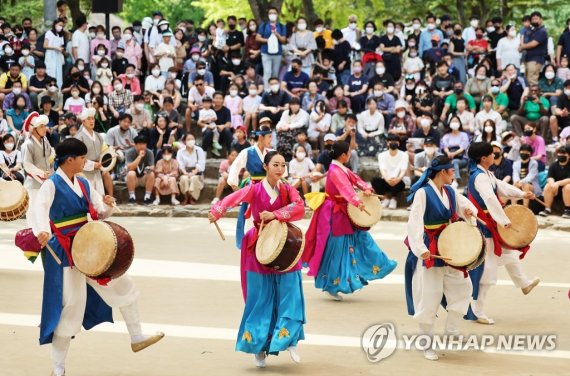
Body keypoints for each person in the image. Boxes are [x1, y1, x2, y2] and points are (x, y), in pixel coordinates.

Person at [29, 138, 164, 376]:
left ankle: (136, 336)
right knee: (71, 306)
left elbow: (98, 210)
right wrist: (42, 230)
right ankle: (58, 368)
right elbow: (39, 208)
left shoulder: (81, 183)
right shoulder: (51, 185)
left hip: (89, 246)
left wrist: (108, 205)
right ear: (70, 159)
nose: (85, 161)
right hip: (64, 251)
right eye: (82, 158)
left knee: (122, 284)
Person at [208, 151, 306, 368]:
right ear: (265, 166)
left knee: (291, 292)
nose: (280, 169)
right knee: (260, 297)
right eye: (275, 165)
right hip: (259, 245)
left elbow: (300, 207)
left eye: (283, 165)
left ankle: (288, 338)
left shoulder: (287, 189)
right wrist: (217, 210)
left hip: (285, 244)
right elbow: (233, 198)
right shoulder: (254, 188)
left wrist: (277, 214)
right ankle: (258, 346)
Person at [303, 141, 397, 301]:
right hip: (335, 213)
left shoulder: (341, 168)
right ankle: (332, 284)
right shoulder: (335, 170)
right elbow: (346, 188)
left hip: (344, 210)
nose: (351, 153)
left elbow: (355, 179)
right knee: (337, 249)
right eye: (349, 151)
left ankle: (379, 264)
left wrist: (366, 189)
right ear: (343, 155)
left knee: (360, 240)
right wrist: (357, 201)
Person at [405, 155, 477, 361]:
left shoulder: (450, 191)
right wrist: (419, 248)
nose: (454, 173)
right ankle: (426, 343)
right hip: (430, 249)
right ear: (443, 172)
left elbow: (463, 206)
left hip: (449, 247)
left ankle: (452, 331)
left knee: (464, 288)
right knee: (430, 296)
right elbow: (415, 222)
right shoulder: (423, 193)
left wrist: (468, 212)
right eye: (452, 170)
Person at [465, 142, 540, 325]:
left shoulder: (486, 174)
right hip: (484, 228)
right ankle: (477, 310)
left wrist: (523, 194)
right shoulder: (480, 177)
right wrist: (504, 220)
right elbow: (490, 198)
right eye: (493, 154)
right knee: (487, 272)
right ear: (484, 158)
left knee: (510, 254)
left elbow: (502, 188)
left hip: (491, 224)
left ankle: (523, 284)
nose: (495, 156)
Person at [227, 123, 274, 247]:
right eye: (269, 136)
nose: (271, 139)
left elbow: (282, 171)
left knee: (271, 217)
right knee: (251, 217)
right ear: (261, 137)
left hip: (270, 188)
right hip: (254, 188)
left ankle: (269, 246)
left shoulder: (272, 152)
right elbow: (235, 166)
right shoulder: (247, 152)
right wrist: (234, 184)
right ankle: (251, 243)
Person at [21, 113, 54, 222]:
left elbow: (51, 155)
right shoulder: (28, 144)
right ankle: (33, 235)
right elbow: (27, 165)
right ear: (33, 129)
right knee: (33, 211)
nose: (45, 128)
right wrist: (41, 173)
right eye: (41, 126)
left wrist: (51, 171)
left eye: (45, 126)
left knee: (45, 210)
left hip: (46, 180)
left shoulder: (45, 141)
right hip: (33, 183)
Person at [73, 108, 113, 196]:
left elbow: (103, 153)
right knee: (86, 200)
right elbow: (78, 158)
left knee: (99, 200)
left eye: (93, 119)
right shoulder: (79, 137)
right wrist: (92, 165)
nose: (92, 121)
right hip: (83, 173)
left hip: (97, 172)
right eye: (89, 119)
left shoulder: (98, 136)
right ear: (83, 121)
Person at [372, 134, 408, 209]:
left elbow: (403, 170)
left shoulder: (404, 155)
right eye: (391, 141)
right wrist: (387, 179)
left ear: (398, 143)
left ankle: (393, 199)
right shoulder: (382, 155)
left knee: (400, 184)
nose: (393, 143)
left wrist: (398, 179)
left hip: (398, 181)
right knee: (375, 181)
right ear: (387, 143)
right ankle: (386, 198)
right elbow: (383, 170)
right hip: (386, 180)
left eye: (395, 141)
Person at [257, 7, 287, 87]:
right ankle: (267, 90)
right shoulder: (263, 26)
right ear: (268, 15)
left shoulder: (281, 26)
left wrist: (277, 35)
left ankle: (274, 89)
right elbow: (258, 38)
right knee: (267, 72)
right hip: (265, 52)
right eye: (270, 13)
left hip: (277, 53)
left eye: (274, 13)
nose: (272, 15)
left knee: (275, 73)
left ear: (277, 15)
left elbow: (283, 40)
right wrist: (268, 41)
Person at [538, 145, 570, 218]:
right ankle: (547, 209)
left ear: (569, 156)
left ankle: (568, 210)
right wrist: (552, 184)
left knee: (568, 187)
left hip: (567, 189)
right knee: (548, 186)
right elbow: (550, 177)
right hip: (556, 190)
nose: (561, 155)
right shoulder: (553, 165)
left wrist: (558, 183)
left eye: (564, 154)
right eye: (559, 153)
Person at [125, 134, 155, 205]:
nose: (142, 146)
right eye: (140, 144)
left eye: (144, 144)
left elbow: (152, 167)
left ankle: (147, 197)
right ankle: (132, 197)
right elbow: (130, 168)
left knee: (151, 174)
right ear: (135, 145)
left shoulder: (149, 152)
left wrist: (148, 169)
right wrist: (139, 157)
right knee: (131, 173)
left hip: (144, 178)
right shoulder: (129, 152)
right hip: (132, 179)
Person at [276, 97, 309, 161]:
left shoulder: (304, 114)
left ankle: (289, 155)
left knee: (289, 135)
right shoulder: (285, 113)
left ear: (299, 105)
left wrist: (288, 127)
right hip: (286, 130)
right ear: (290, 105)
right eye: (293, 104)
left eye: (296, 104)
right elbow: (281, 122)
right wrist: (279, 127)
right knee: (280, 134)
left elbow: (300, 124)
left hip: (300, 130)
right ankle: (282, 154)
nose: (295, 106)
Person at [440, 115, 469, 188]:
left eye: (456, 121)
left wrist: (455, 153)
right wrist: (448, 153)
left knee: (454, 162)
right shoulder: (446, 135)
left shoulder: (464, 135)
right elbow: (444, 146)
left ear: (459, 123)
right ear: (450, 123)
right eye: (453, 121)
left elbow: (463, 147)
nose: (454, 123)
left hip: (461, 158)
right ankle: (451, 181)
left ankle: (455, 181)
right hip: (449, 157)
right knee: (450, 162)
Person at [519, 11, 548, 85]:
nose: (534, 21)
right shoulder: (532, 31)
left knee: (532, 80)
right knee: (526, 80)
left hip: (535, 60)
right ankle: (529, 96)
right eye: (533, 19)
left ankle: (535, 96)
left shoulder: (542, 31)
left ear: (541, 19)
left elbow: (533, 44)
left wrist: (522, 47)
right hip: (528, 59)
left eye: (536, 19)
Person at [177, 134, 206, 205]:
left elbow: (201, 163)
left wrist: (194, 172)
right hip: (185, 172)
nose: (191, 141)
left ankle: (193, 198)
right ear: (184, 141)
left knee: (194, 179)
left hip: (196, 172)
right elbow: (180, 164)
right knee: (184, 179)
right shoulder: (180, 151)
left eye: (192, 139)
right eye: (188, 139)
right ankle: (186, 197)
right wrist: (185, 172)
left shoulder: (199, 150)